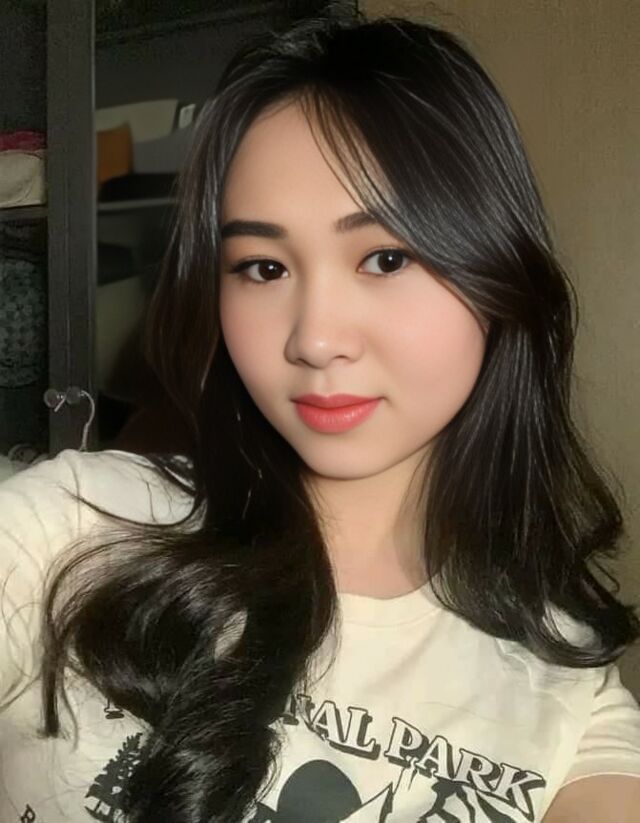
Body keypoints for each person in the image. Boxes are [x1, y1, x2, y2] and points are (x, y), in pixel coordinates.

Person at [1, 8, 640, 822]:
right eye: (263, 267)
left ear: (497, 274)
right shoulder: (69, 530)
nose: (314, 338)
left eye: (386, 257)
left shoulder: (569, 695)